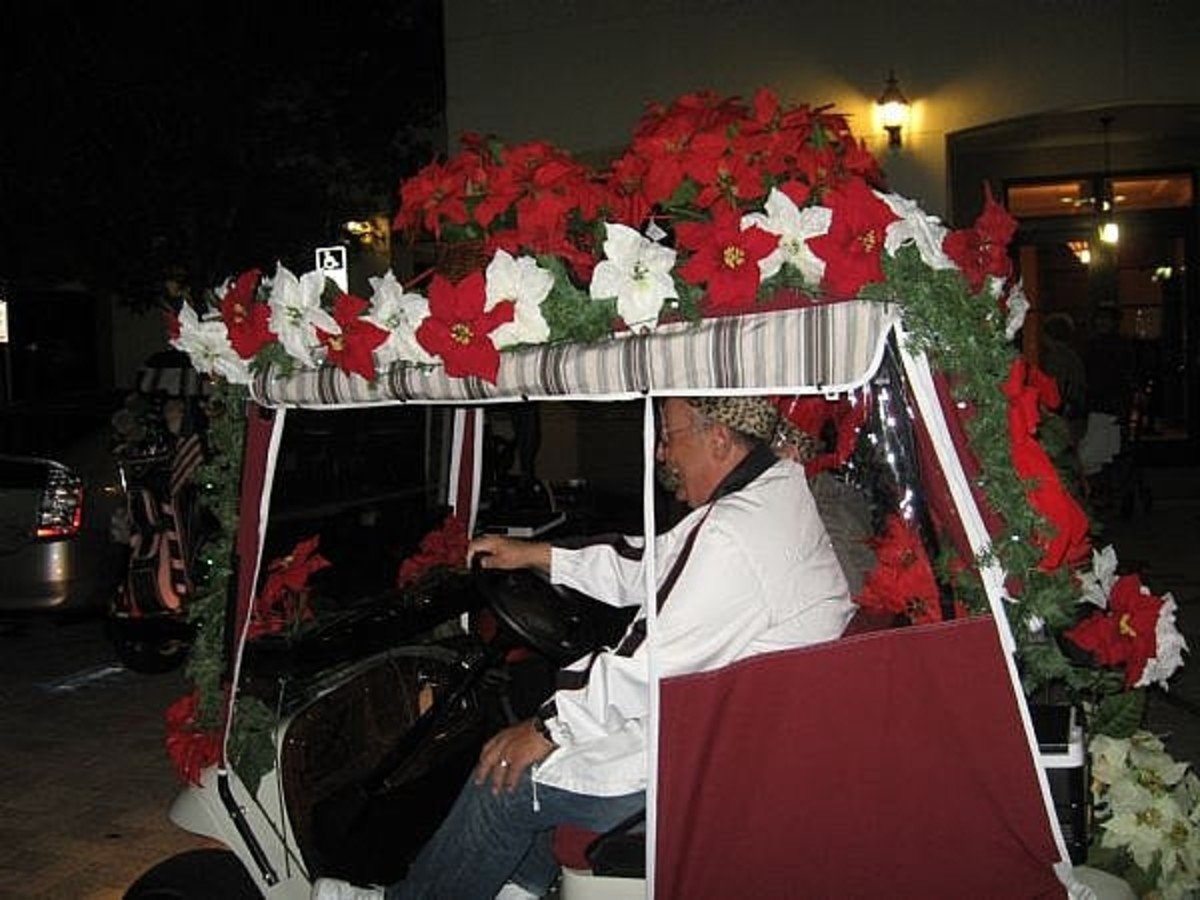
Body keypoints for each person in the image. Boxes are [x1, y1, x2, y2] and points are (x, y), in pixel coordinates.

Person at [313, 396, 855, 900]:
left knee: (505, 775)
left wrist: (548, 727)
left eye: (668, 437)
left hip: (700, 764)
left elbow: (648, 666)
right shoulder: (772, 494)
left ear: (718, 439)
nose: (662, 453)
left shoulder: (732, 534)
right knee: (546, 751)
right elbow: (652, 563)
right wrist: (538, 556)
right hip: (734, 734)